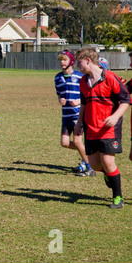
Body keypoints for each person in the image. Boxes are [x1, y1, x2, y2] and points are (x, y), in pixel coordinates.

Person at [74, 48, 130, 209]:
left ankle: (118, 198)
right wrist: (79, 124)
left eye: (79, 62)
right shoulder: (83, 81)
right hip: (90, 129)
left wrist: (115, 117)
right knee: (95, 165)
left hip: (108, 129)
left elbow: (125, 100)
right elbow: (84, 104)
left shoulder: (110, 78)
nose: (78, 66)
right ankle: (107, 173)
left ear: (88, 61)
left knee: (107, 160)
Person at [54, 50, 94, 176]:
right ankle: (86, 155)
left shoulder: (79, 77)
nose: (62, 62)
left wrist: (78, 101)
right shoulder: (57, 78)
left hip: (78, 114)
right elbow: (60, 94)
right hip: (66, 115)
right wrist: (60, 99)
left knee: (77, 141)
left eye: (64, 59)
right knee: (65, 143)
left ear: (70, 61)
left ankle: (89, 167)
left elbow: (88, 93)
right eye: (60, 59)